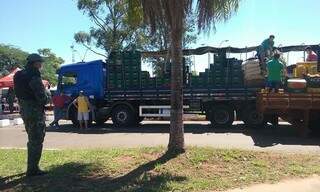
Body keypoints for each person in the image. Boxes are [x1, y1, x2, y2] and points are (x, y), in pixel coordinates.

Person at [13, 53, 51, 177]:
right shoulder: (34, 74)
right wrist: (48, 94)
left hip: (24, 110)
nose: (41, 65)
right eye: (40, 62)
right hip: (34, 111)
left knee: (32, 138)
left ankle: (32, 167)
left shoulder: (18, 74)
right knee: (36, 140)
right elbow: (42, 98)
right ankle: (33, 169)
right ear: (35, 63)